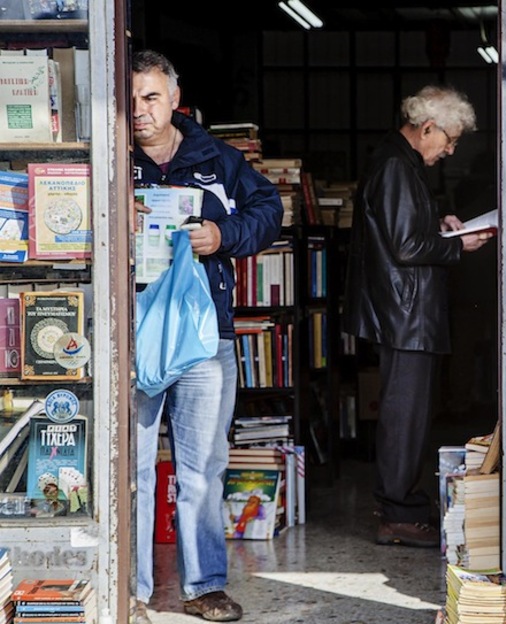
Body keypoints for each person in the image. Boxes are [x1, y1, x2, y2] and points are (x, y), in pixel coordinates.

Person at [131, 50, 283, 624]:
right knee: (134, 469)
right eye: (132, 98)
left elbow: (269, 209)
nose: (141, 111)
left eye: (151, 97)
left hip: (203, 335)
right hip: (134, 332)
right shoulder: (113, 159)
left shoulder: (214, 158)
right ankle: (133, 588)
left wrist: (223, 234)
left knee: (201, 468)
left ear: (174, 98)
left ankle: (205, 587)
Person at [342, 85, 492, 548]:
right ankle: (397, 513)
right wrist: (457, 244)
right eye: (448, 139)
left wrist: (441, 223)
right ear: (426, 127)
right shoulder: (394, 166)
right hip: (402, 313)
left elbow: (403, 231)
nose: (450, 150)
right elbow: (406, 247)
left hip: (407, 311)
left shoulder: (400, 164)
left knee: (409, 413)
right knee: (403, 415)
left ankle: (402, 503)